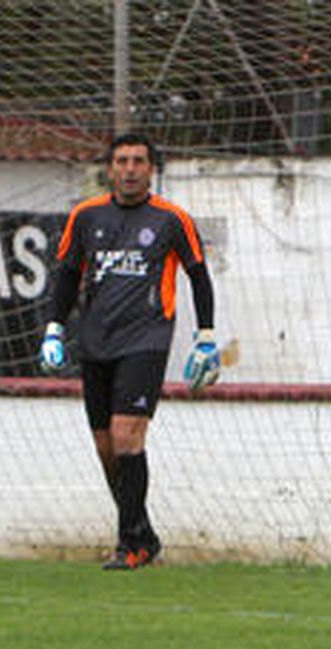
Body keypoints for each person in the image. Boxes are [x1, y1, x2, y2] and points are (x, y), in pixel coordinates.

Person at [38, 131, 222, 570]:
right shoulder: (85, 216)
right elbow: (67, 274)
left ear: (151, 169)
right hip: (96, 340)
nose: (130, 169)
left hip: (147, 339)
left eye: (139, 161)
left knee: (126, 437)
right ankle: (143, 534)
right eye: (122, 161)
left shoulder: (172, 219)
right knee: (106, 447)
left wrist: (206, 336)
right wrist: (53, 328)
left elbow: (198, 275)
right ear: (110, 168)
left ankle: (131, 544)